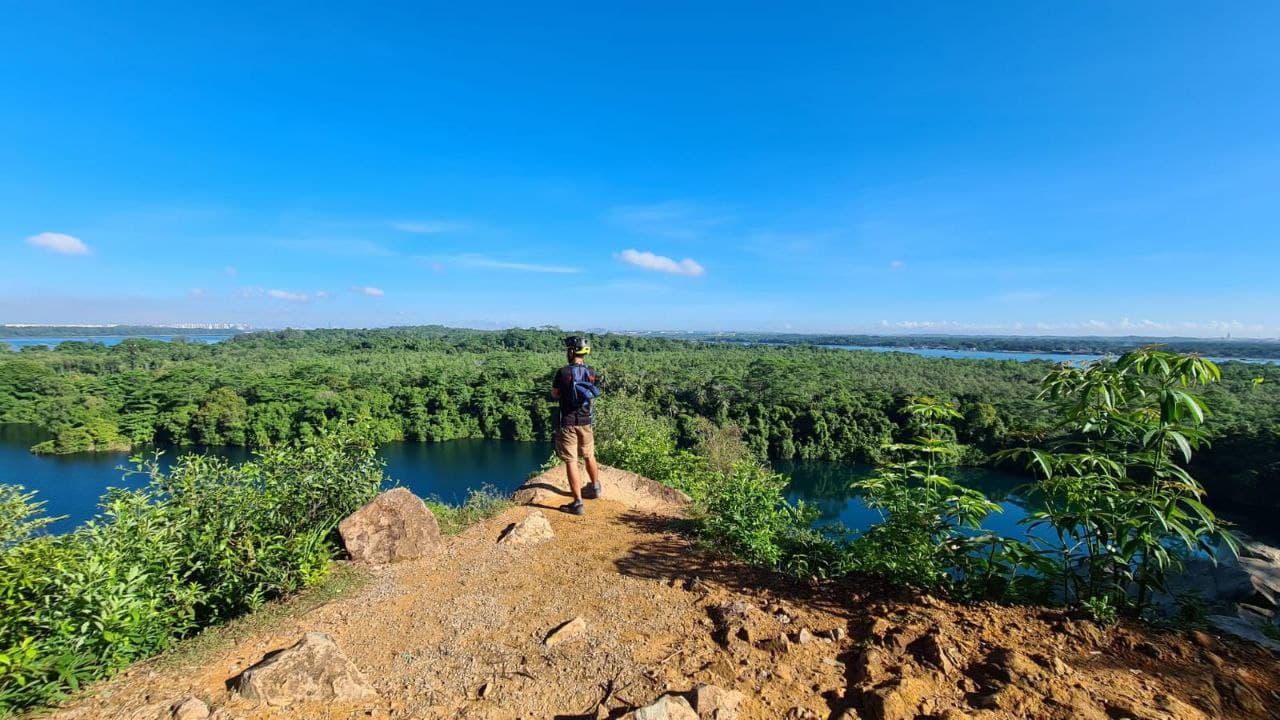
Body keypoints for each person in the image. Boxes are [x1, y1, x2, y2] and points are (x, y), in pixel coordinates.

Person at [550, 335, 602, 515]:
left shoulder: (563, 372)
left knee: (571, 460)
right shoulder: (591, 372)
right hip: (586, 421)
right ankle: (595, 488)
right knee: (589, 455)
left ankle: (577, 503)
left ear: (572, 352)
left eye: (568, 350)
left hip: (568, 422)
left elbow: (555, 394)